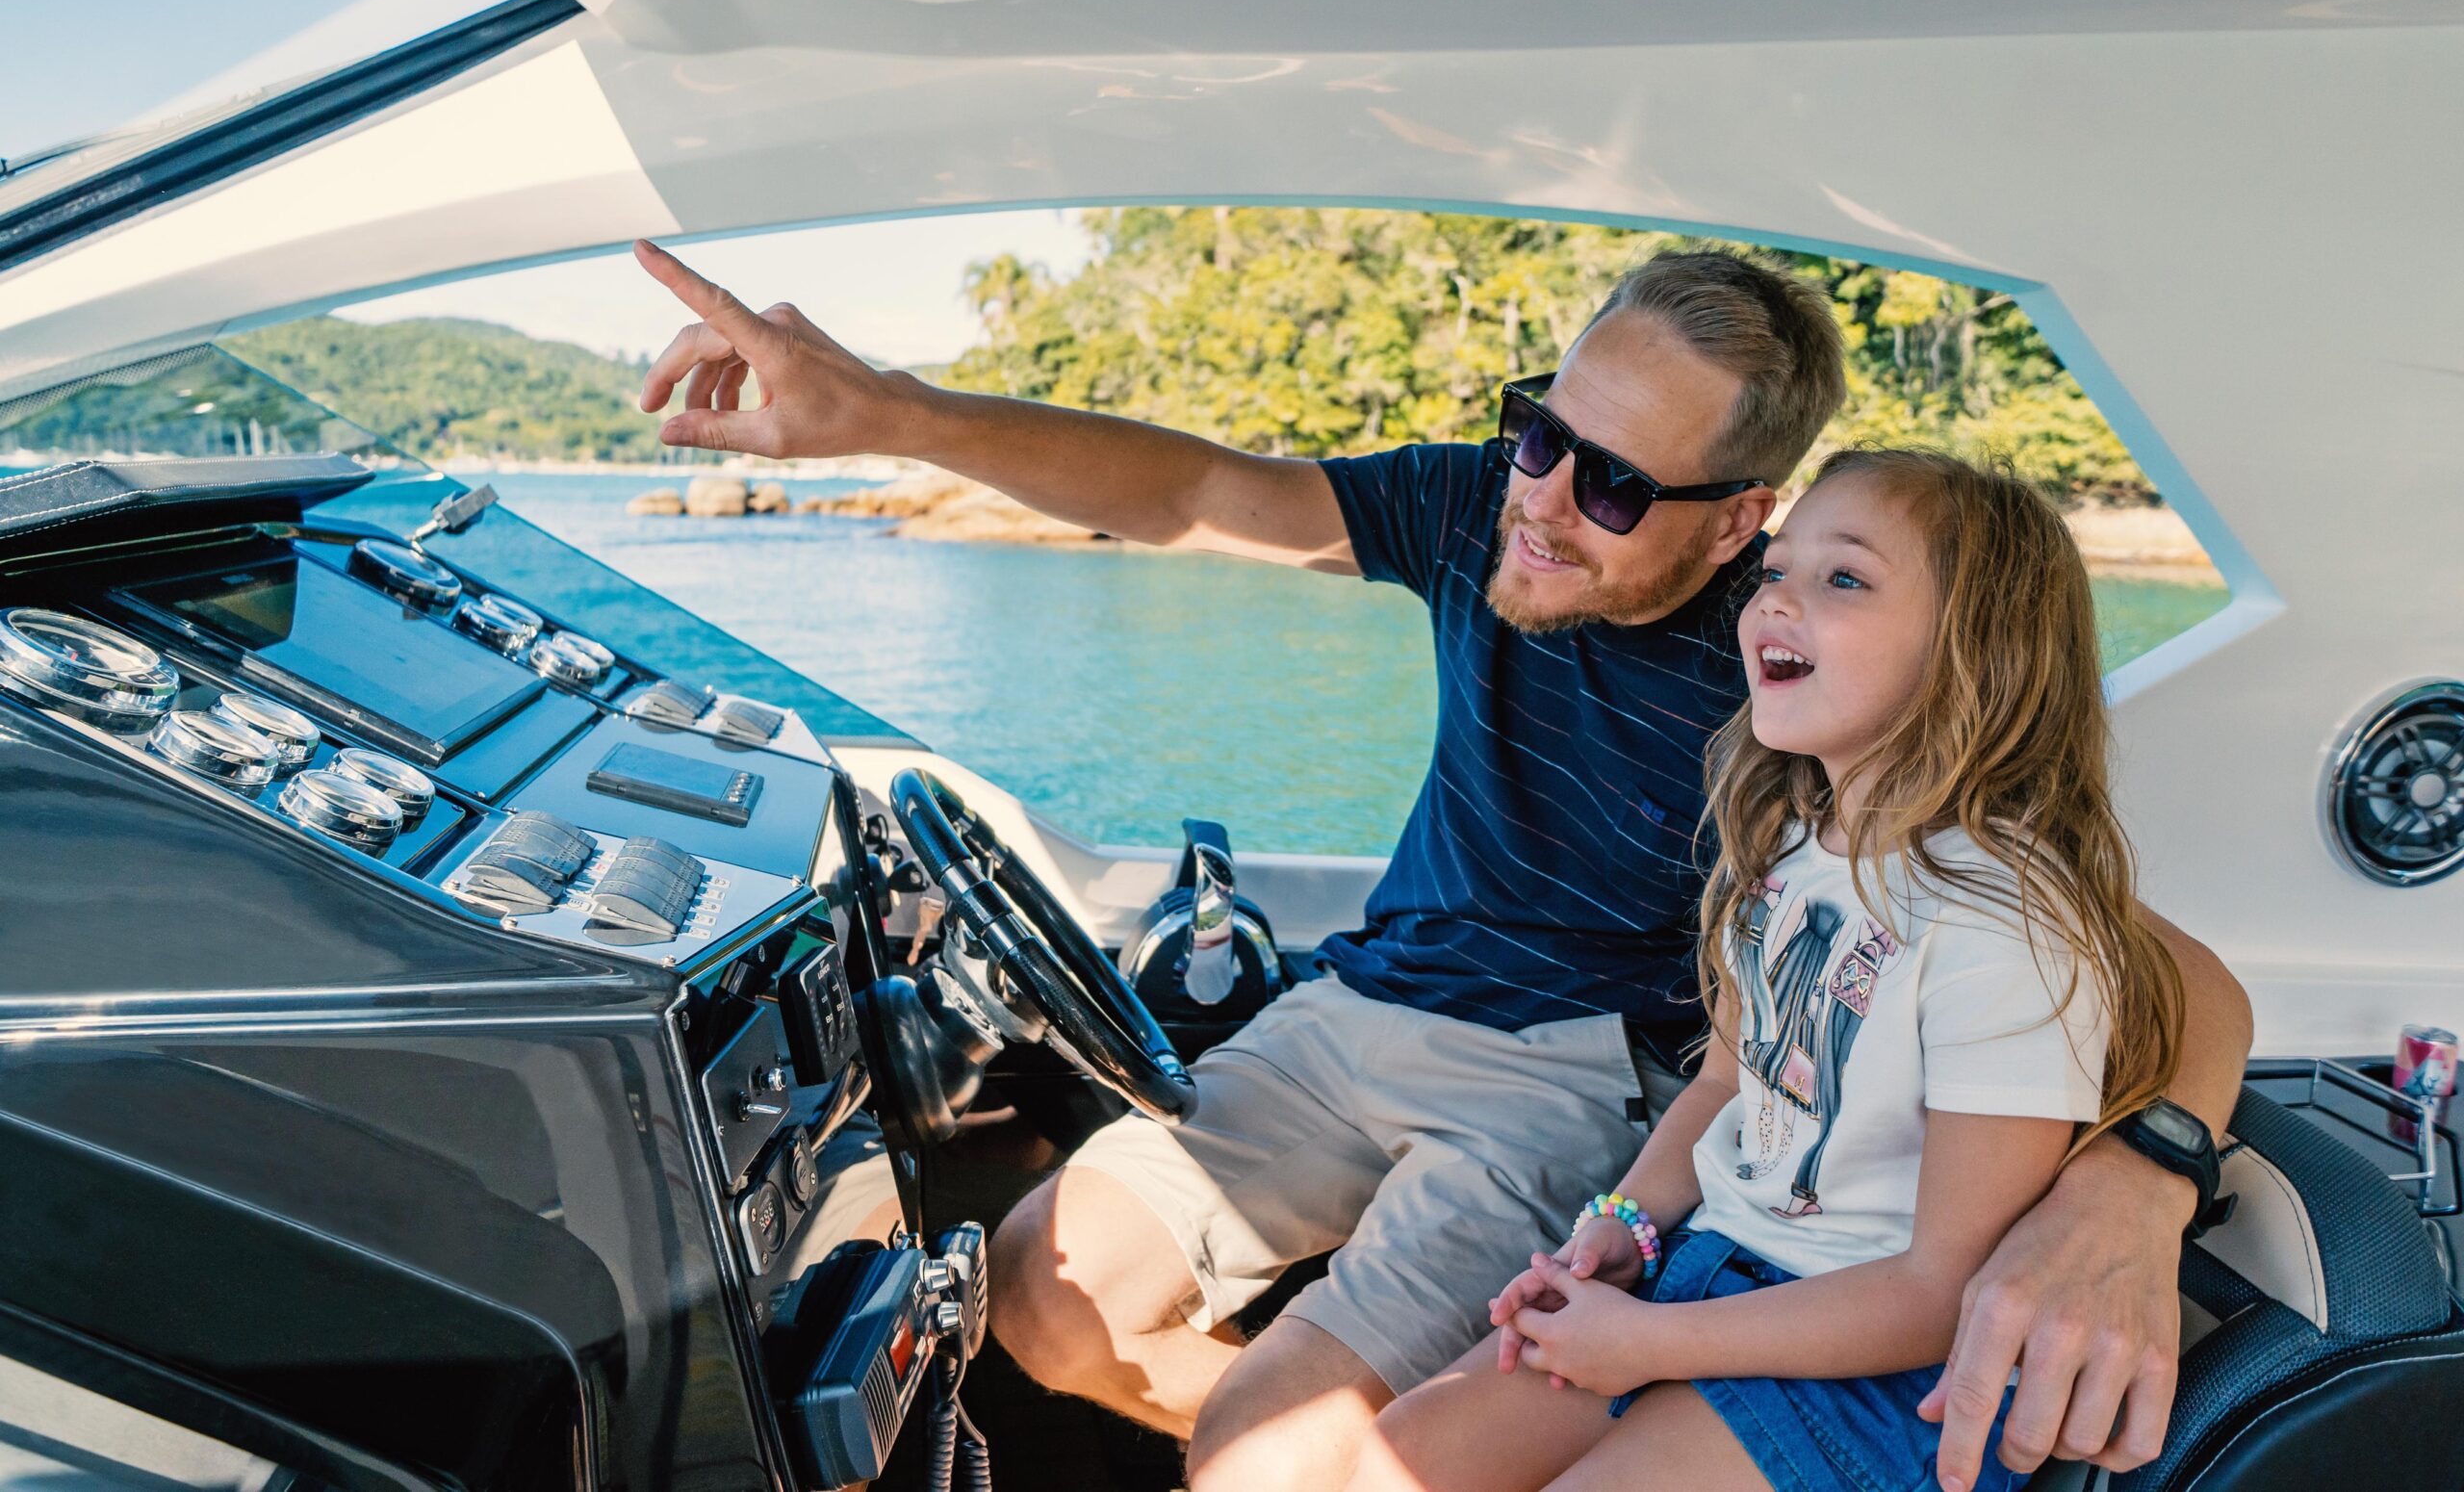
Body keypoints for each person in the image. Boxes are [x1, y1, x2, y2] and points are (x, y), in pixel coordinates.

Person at [628, 237, 2255, 1492]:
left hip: (1554, 1083)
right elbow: (1198, 489)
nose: (1543, 505)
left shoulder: (1804, 683)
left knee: (1260, 1457)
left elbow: (2156, 968)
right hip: (1359, 1008)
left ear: (1735, 519)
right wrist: (884, 417)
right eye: (1540, 435)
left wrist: (2132, 1184)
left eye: (1614, 485)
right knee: (1039, 1300)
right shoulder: (1501, 517)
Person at [1347, 449, 2183, 1492]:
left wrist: (1649, 1347)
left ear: (1974, 644)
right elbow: (1719, 1086)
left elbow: (1940, 1282)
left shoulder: (2001, 917)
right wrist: (1622, 1228)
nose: (1774, 601)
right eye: (1775, 570)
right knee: (1385, 1468)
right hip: (1706, 1273)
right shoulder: (1787, 838)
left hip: (1879, 1365)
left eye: (1843, 577)